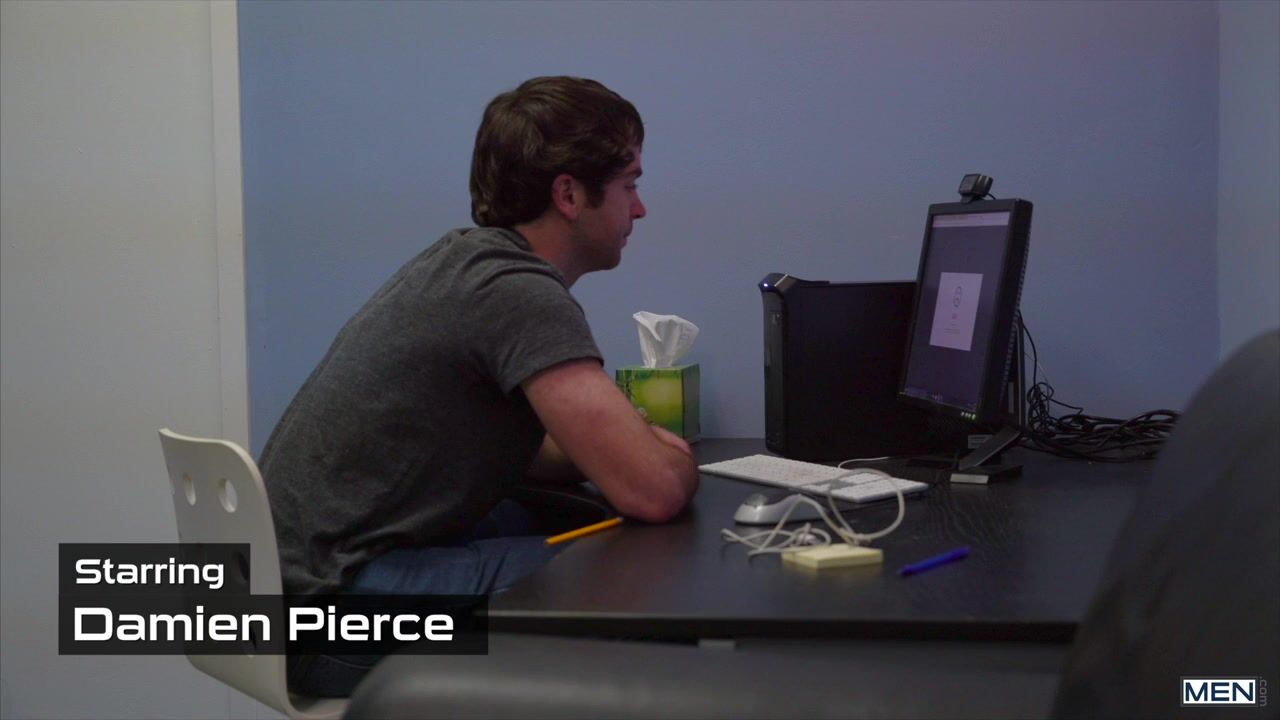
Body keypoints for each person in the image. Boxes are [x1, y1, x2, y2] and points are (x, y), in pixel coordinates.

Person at [259, 76, 699, 695]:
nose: (640, 209)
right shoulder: (515, 291)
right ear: (569, 194)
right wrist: (666, 459)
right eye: (630, 185)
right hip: (328, 614)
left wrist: (619, 450)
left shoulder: (464, 262)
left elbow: (527, 451)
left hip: (293, 589)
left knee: (553, 523)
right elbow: (653, 492)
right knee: (635, 581)